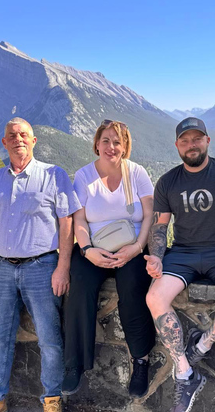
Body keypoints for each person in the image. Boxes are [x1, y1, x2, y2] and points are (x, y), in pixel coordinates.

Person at [145, 117, 215, 412]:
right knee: (154, 297)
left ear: (208, 140)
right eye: (185, 140)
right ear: (177, 146)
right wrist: (157, 256)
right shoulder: (168, 181)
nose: (191, 145)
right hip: (182, 253)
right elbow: (159, 227)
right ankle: (185, 373)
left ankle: (203, 344)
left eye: (197, 139)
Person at [0, 118, 81, 412]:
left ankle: (52, 399)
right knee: (0, 339)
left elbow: (67, 222)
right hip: (4, 268)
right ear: (4, 142)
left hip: (42, 267)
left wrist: (63, 266)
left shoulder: (54, 175)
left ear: (34, 141)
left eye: (24, 134)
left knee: (49, 338)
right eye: (11, 135)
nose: (18, 138)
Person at [62, 120, 157, 397]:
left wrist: (138, 247)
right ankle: (74, 364)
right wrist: (88, 250)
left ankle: (140, 359)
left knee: (132, 287)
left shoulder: (137, 173)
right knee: (79, 282)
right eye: (106, 140)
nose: (111, 146)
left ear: (125, 146)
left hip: (133, 248)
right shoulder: (83, 176)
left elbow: (151, 215)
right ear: (96, 143)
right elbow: (78, 219)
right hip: (95, 248)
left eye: (117, 141)